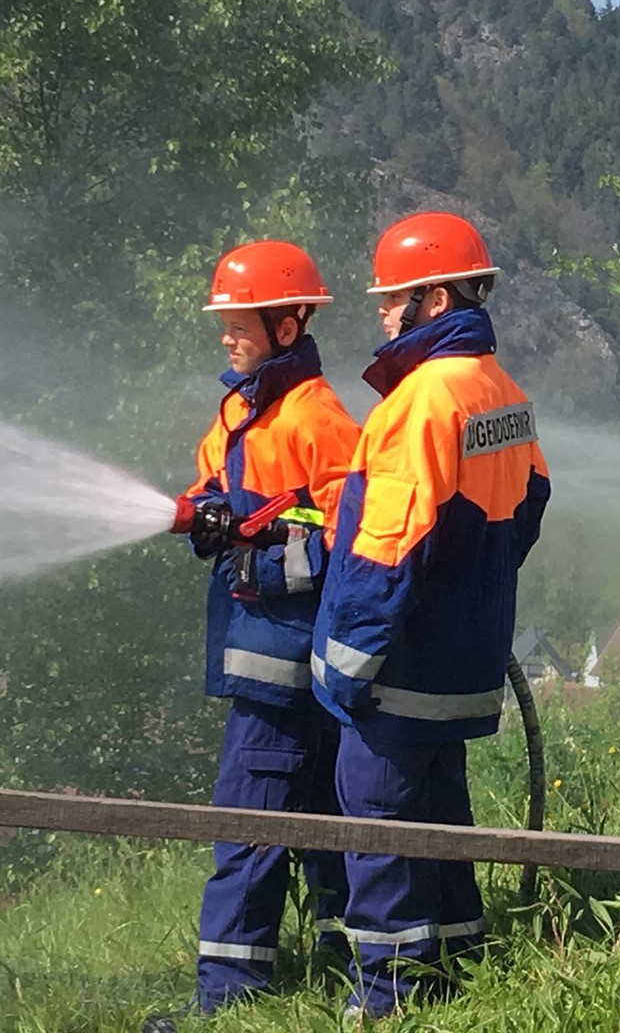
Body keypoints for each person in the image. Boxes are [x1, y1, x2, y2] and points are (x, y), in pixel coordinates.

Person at [313, 211, 551, 1019]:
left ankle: (386, 998)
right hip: (465, 661)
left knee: (378, 824)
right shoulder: (503, 392)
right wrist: (467, 595)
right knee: (442, 817)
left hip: (403, 665)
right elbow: (526, 511)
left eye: (392, 300)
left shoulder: (422, 401)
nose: (381, 315)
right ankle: (456, 968)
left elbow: (386, 551)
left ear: (435, 297)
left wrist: (346, 665)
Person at [147, 242, 359, 1031]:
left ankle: (224, 1004)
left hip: (291, 661)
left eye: (241, 320)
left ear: (289, 320)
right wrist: (204, 514)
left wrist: (266, 534)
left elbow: (353, 536)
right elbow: (214, 488)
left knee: (247, 822)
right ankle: (344, 971)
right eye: (224, 320)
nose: (228, 334)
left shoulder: (316, 416)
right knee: (320, 821)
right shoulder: (240, 412)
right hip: (267, 650)